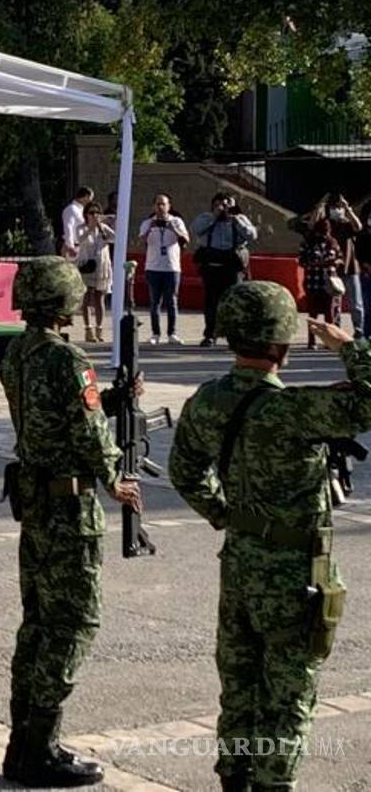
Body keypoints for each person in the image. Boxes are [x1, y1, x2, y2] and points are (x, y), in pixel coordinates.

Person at [168, 282, 364, 792]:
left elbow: (185, 470)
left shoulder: (208, 401)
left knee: (239, 684)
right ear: (281, 343)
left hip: (239, 561)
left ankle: (235, 778)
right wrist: (348, 347)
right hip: (295, 570)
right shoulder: (295, 409)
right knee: (288, 693)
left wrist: (225, 515)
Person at [0, 256, 144, 788]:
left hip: (36, 503)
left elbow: (51, 415)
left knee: (38, 623)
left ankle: (23, 743)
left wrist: (110, 399)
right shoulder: (66, 357)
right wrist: (114, 478)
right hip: (68, 507)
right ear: (64, 300)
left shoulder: (18, 353)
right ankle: (40, 749)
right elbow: (86, 431)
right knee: (73, 623)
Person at [192, 193, 258, 346]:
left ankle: (234, 335)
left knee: (235, 300)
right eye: (219, 205)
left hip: (232, 264)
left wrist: (236, 220)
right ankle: (210, 334)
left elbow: (252, 235)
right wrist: (214, 216)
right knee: (211, 301)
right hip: (212, 263)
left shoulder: (240, 218)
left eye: (228, 205)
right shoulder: (206, 217)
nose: (223, 208)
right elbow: (196, 229)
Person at [306, 192, 362, 338]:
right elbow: (311, 224)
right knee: (334, 304)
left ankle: (359, 331)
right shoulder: (326, 224)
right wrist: (320, 205)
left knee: (355, 303)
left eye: (339, 208)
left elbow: (358, 227)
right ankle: (336, 333)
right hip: (332, 270)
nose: (337, 210)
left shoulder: (347, 224)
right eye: (334, 208)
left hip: (350, 266)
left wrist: (347, 208)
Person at [138, 194, 190, 345]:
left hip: (171, 267)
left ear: (169, 206)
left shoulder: (176, 221)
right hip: (153, 267)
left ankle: (172, 333)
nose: (160, 207)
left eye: (163, 204)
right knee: (155, 302)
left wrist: (172, 229)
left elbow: (186, 240)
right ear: (153, 206)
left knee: (172, 301)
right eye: (158, 204)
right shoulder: (148, 222)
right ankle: (155, 333)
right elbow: (141, 240)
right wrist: (150, 228)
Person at [299, 218, 342, 350]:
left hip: (329, 282)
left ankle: (330, 341)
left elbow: (340, 257)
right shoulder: (307, 243)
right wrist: (317, 264)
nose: (325, 235)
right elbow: (301, 261)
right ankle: (311, 341)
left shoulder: (333, 242)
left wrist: (335, 262)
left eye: (327, 232)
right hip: (312, 282)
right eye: (323, 232)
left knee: (330, 313)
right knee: (313, 313)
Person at [74, 203, 114, 343]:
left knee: (99, 298)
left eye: (97, 213)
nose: (94, 215)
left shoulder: (103, 228)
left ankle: (99, 328)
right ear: (86, 214)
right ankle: (88, 329)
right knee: (87, 298)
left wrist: (103, 225)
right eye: (91, 213)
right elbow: (79, 240)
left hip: (101, 266)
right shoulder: (81, 228)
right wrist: (90, 228)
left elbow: (114, 238)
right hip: (87, 265)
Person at [60, 186, 94, 259]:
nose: (90, 202)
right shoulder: (71, 209)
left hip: (82, 247)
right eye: (90, 199)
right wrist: (71, 246)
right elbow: (68, 227)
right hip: (73, 248)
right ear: (86, 197)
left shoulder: (81, 210)